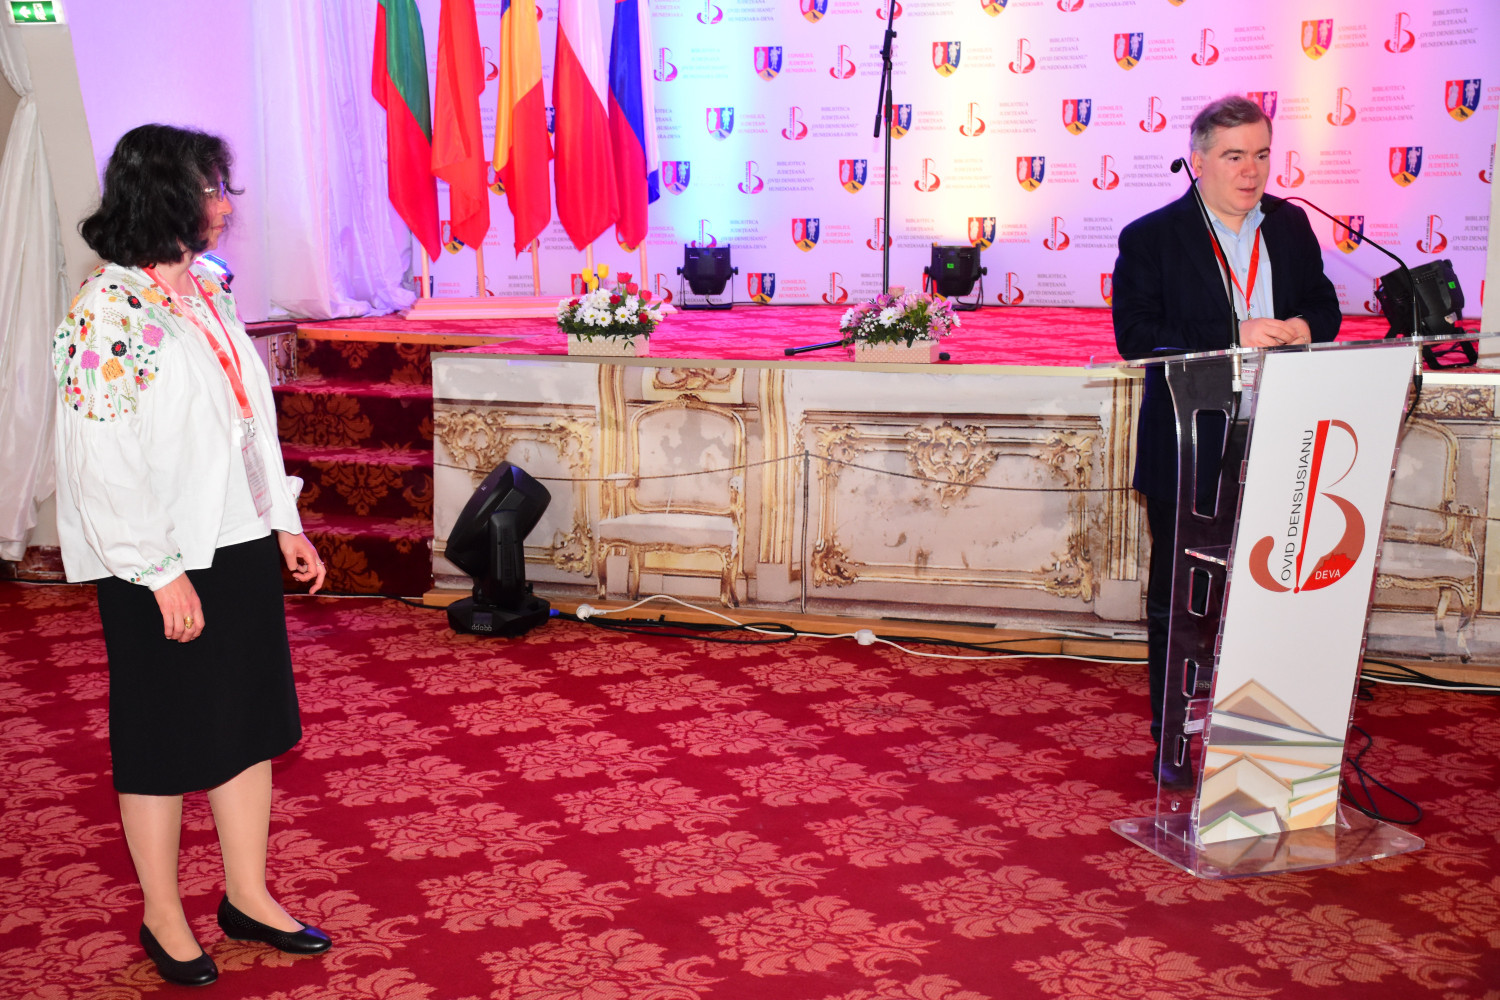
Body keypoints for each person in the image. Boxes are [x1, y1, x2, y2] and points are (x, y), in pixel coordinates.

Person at [54, 124, 332, 986]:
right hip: (158, 560)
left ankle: (247, 895)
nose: (224, 205)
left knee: (246, 724)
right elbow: (100, 458)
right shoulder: (106, 312)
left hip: (235, 539)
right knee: (163, 737)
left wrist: (281, 518)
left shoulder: (207, 285)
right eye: (210, 188)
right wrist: (157, 570)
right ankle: (162, 915)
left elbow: (246, 417)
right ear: (164, 196)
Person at [1110, 96, 1341, 768]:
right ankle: (1174, 739)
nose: (1251, 170)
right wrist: (1234, 333)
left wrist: (1303, 327)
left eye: (1262, 155)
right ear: (1198, 160)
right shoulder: (1151, 237)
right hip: (1194, 444)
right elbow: (1136, 336)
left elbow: (1323, 303)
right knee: (1184, 603)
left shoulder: (1290, 224)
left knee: (1275, 592)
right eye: (1235, 156)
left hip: (1286, 434)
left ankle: (1270, 732)